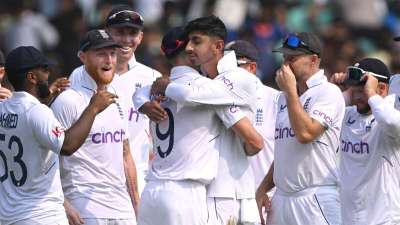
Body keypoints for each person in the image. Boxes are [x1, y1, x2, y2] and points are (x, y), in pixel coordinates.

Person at [149, 16, 264, 225]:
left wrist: (165, 87)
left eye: (196, 41)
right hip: (206, 190)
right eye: (188, 42)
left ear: (218, 45)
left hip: (229, 193)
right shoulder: (204, 81)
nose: (189, 48)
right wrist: (145, 103)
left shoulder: (237, 78)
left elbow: (255, 143)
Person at [0, 46, 117, 225]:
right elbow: (67, 146)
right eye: (45, 70)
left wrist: (44, 99)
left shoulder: (4, 108)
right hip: (40, 215)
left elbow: (26, 121)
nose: (49, 74)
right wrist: (93, 108)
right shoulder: (36, 111)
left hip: (9, 215)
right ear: (31, 77)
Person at [51, 29, 139, 225]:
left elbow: (125, 154)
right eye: (101, 54)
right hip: (84, 209)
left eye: (112, 53)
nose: (109, 60)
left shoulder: (117, 96)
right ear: (83, 57)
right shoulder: (68, 100)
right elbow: (47, 159)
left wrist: (137, 205)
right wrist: (64, 204)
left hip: (122, 208)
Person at [256, 32, 345, 225]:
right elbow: (284, 151)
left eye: (292, 59)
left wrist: (289, 92)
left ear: (313, 60)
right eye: (284, 58)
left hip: (315, 197)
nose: (285, 65)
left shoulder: (328, 92)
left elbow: (305, 134)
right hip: (282, 198)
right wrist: (263, 188)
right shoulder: (285, 97)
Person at [330, 58, 400, 225]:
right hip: (348, 219)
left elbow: (391, 122)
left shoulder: (390, 113)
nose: (357, 96)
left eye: (362, 90)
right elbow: (319, 119)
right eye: (354, 90)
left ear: (381, 88)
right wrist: (333, 91)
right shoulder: (349, 115)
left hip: (384, 220)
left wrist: (372, 94)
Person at [104, 4, 162, 195]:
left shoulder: (153, 78)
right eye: (120, 32)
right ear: (106, 33)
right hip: (98, 182)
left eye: (133, 33)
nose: (127, 40)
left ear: (141, 37)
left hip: (141, 179)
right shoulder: (83, 76)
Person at [225, 40, 280, 224]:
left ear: (252, 67)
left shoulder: (277, 100)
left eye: (233, 66)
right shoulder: (215, 98)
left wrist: (266, 191)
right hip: (226, 200)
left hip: (264, 201)